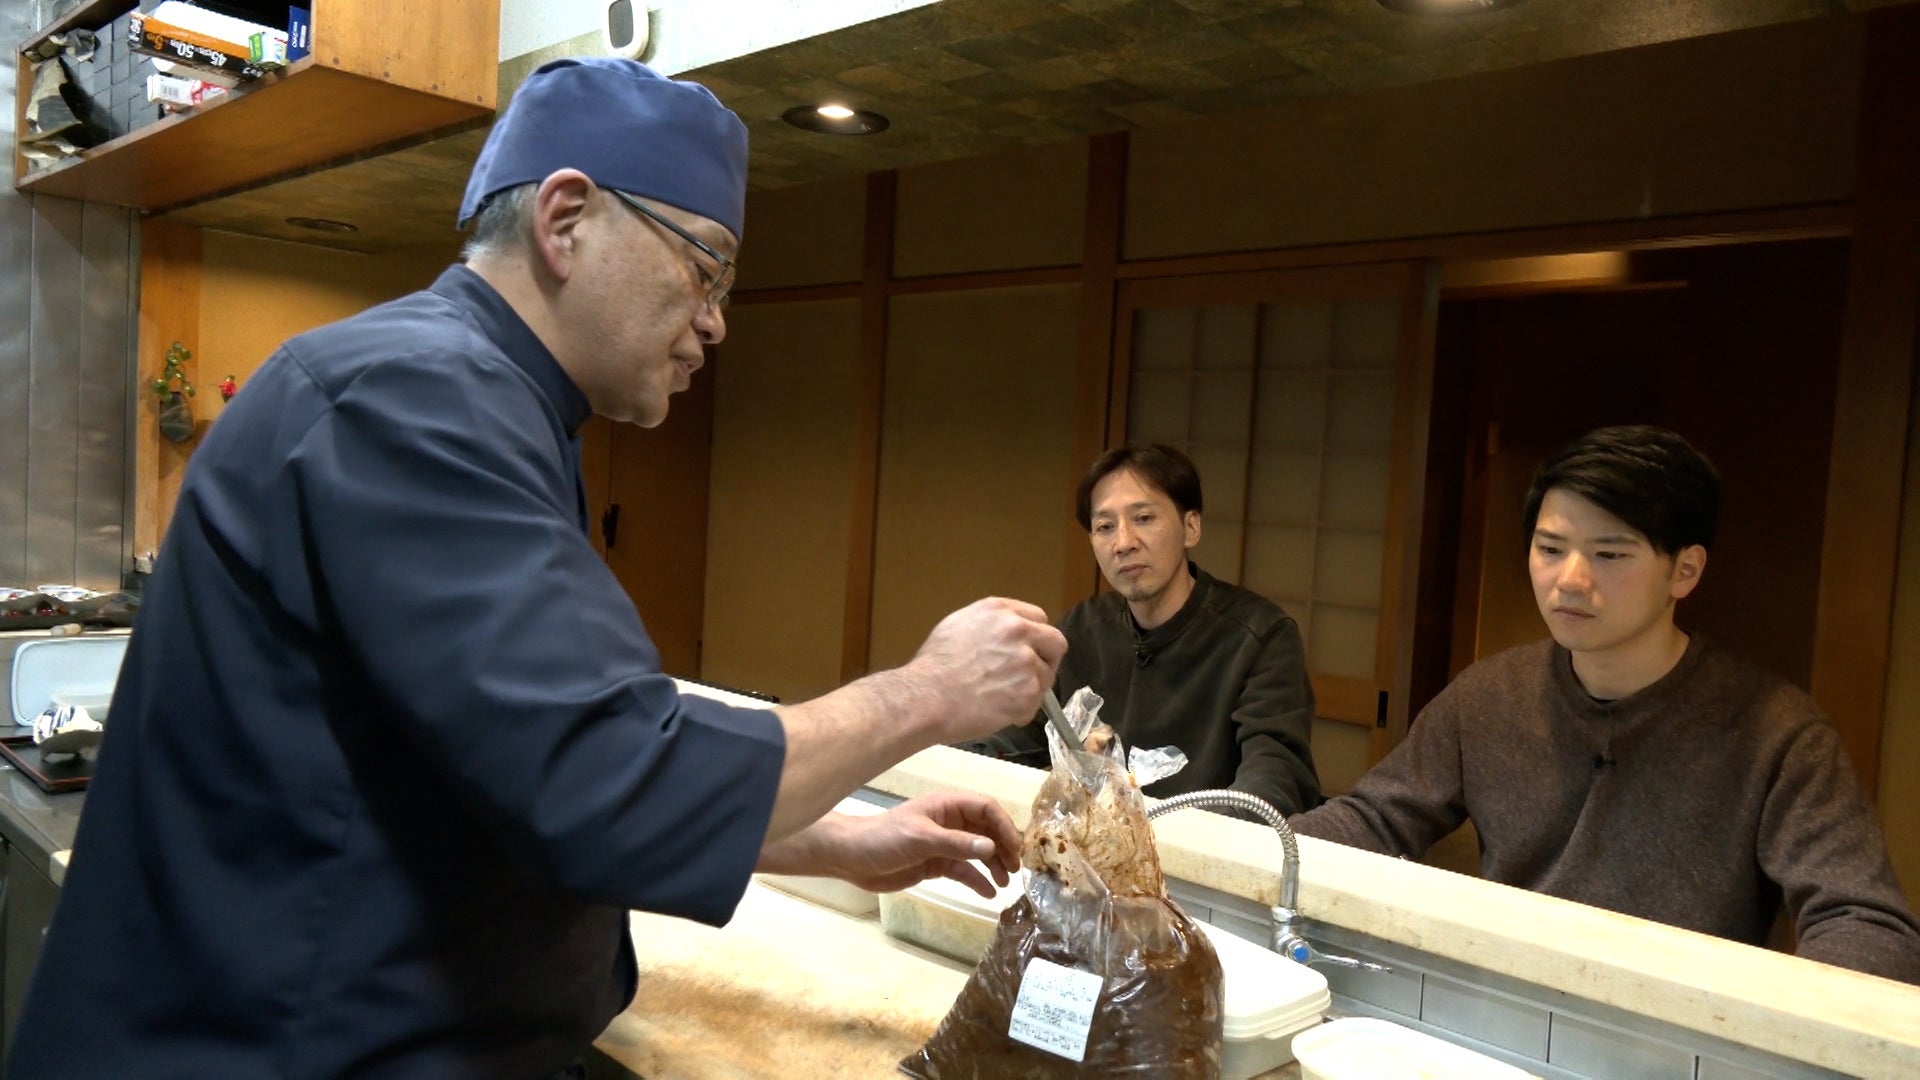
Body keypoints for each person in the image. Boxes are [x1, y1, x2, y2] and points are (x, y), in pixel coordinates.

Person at [8, 58, 1067, 1078]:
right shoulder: (413, 402)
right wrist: (927, 692)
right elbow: (612, 777)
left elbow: (506, 762)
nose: (714, 321)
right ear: (566, 220)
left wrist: (837, 841)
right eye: (705, 269)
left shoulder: (484, 400)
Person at [1290, 425, 1920, 983]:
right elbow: (1375, 819)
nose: (1569, 580)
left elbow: (1862, 920)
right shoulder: (1489, 695)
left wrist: (1789, 1027)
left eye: (1609, 554)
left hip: (1678, 1029)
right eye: (1550, 548)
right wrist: (1249, 850)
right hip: (1506, 1002)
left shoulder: (1777, 733)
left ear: (1685, 571)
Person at [972, 444, 1321, 817]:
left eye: (1143, 518)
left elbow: (1274, 780)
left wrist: (1177, 836)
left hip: (1200, 845)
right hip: (1097, 842)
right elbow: (1028, 736)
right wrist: (944, 754)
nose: (1123, 543)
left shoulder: (1259, 636)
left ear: (1190, 527)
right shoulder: (1083, 626)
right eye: (1105, 527)